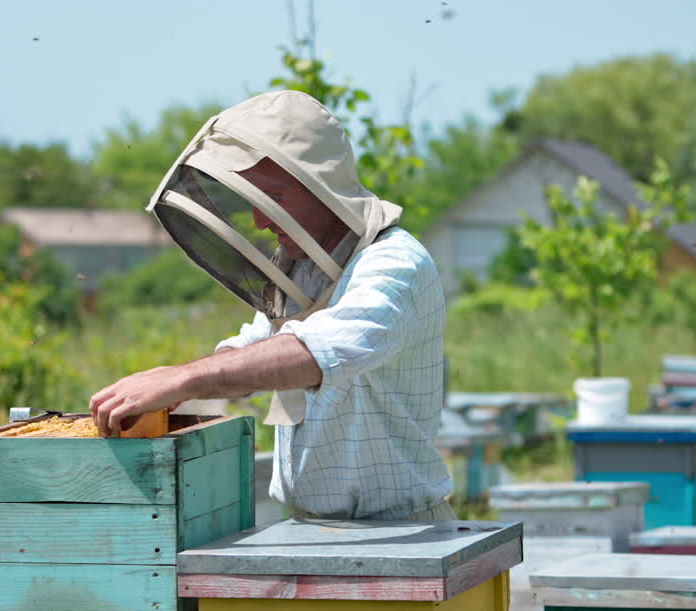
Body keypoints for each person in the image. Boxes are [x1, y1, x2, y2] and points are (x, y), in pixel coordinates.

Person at [89, 90, 453, 521]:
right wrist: (163, 394)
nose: (260, 219)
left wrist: (184, 378)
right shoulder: (301, 271)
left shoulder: (394, 264)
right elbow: (253, 354)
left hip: (399, 533)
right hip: (308, 527)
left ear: (322, 186)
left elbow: (313, 353)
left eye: (274, 198)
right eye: (254, 200)